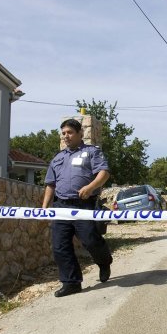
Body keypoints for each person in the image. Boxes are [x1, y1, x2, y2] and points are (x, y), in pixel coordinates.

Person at [42, 118, 112, 298]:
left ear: (80, 133)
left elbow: (103, 173)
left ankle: (104, 262)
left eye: (70, 132)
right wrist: (44, 207)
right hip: (61, 206)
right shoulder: (57, 158)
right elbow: (50, 184)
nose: (66, 136)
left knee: (90, 239)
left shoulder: (91, 152)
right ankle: (71, 283)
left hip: (84, 205)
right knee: (60, 246)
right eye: (63, 133)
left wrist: (90, 187)